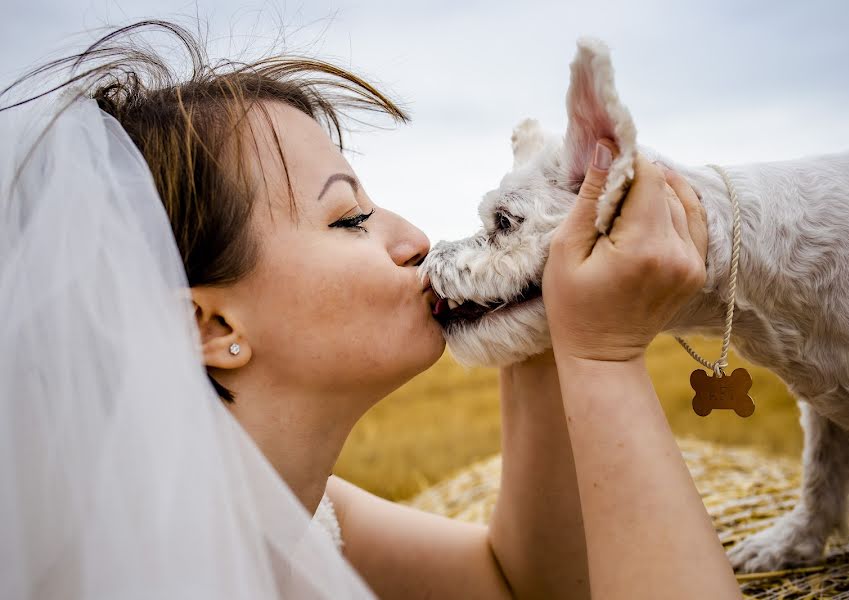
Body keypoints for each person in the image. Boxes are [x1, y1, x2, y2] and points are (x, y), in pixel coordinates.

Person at [0, 21, 740, 599]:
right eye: (349, 218)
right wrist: (603, 357)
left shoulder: (302, 517)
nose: (415, 238)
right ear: (210, 328)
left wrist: (535, 303)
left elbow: (528, 590)